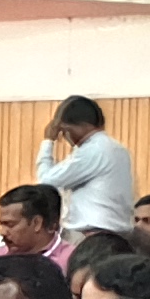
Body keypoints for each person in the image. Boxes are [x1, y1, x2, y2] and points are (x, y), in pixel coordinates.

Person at [30, 96, 133, 236]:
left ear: (69, 127)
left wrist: (48, 141)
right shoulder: (118, 149)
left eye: (63, 131)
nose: (64, 136)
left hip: (93, 234)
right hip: (118, 232)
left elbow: (46, 182)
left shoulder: (92, 150)